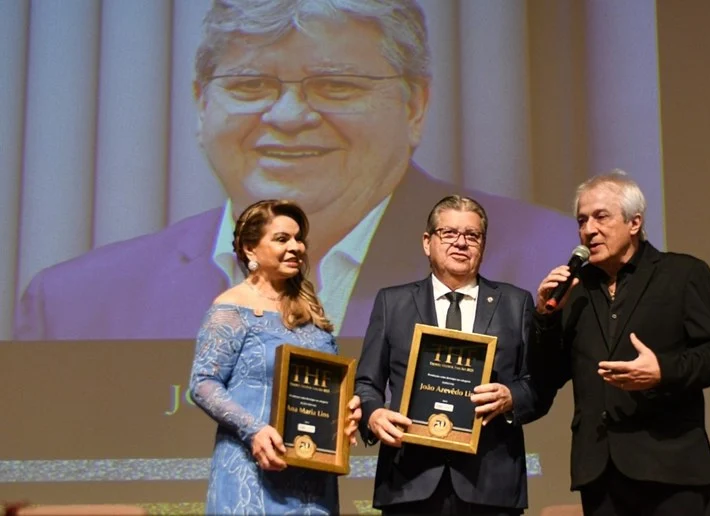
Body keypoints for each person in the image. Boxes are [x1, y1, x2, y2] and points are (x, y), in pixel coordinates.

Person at [14, 0, 574, 341]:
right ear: (202, 105)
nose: (287, 116)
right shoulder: (74, 304)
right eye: (250, 85)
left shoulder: (553, 268)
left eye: (335, 85)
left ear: (414, 106)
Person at [531, 170, 710, 516]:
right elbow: (548, 375)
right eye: (582, 220)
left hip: (670, 465)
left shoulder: (683, 274)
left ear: (634, 223)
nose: (588, 230)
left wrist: (662, 371)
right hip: (599, 469)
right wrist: (546, 317)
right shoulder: (575, 292)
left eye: (601, 217)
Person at [355, 195, 550, 515]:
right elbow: (366, 383)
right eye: (449, 233)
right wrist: (374, 415)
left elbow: (537, 384)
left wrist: (510, 397)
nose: (461, 243)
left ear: (483, 245)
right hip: (410, 481)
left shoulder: (516, 304)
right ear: (427, 242)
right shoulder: (393, 303)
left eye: (472, 235)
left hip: (490, 483)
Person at [188, 199, 362, 515]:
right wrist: (253, 430)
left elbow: (330, 387)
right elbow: (203, 384)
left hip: (312, 479)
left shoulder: (311, 310)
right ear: (249, 249)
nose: (296, 247)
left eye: (299, 239)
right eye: (282, 239)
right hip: (251, 474)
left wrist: (346, 416)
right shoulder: (231, 308)